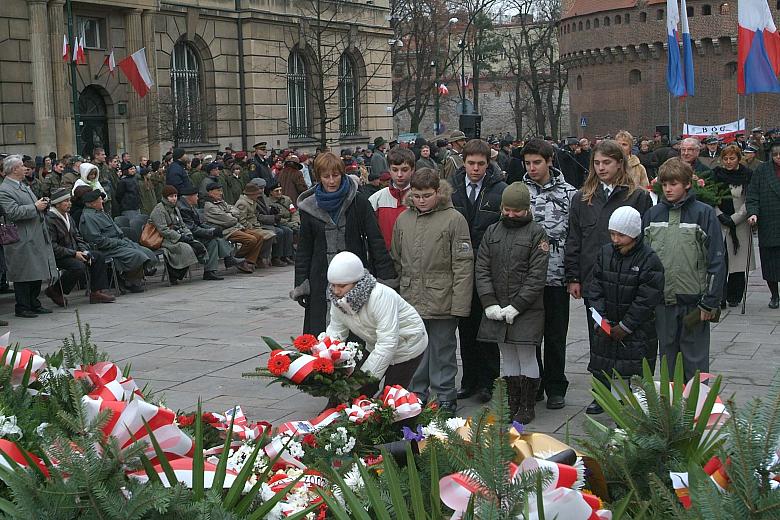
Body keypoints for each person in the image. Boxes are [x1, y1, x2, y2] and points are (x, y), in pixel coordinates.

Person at [564, 139, 653, 414]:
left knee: (627, 335)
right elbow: (574, 239)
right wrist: (573, 277)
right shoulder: (582, 198)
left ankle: (629, 390)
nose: (601, 168)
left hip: (627, 278)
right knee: (599, 336)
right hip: (594, 280)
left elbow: (646, 238)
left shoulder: (636, 196)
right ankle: (601, 391)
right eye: (597, 163)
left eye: (607, 163)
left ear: (619, 164)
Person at [391, 168, 474, 413]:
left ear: (438, 192)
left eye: (426, 195)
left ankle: (445, 394)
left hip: (442, 295)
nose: (421, 200)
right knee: (414, 347)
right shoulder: (403, 219)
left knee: (442, 349)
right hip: (410, 295)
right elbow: (396, 257)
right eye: (416, 196)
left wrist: (460, 303)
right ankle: (417, 391)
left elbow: (463, 263)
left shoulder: (453, 219)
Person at [293, 152, 396, 335]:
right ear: (319, 177)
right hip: (320, 278)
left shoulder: (358, 201)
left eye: (336, 175)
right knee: (321, 337)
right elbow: (304, 249)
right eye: (326, 176)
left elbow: (375, 240)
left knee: (356, 335)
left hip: (355, 278)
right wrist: (302, 283)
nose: (332, 181)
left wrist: (386, 277)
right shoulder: (309, 207)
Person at [644, 158, 725, 381]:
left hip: (694, 302)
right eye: (665, 184)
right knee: (668, 362)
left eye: (674, 184)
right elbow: (645, 259)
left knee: (696, 363)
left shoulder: (704, 213)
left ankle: (698, 411)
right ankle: (670, 411)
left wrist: (710, 300)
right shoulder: (653, 215)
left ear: (688, 184)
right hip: (663, 303)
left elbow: (716, 259)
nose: (668, 189)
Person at [475, 182, 549, 423]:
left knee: (526, 354)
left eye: (516, 210)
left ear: (526, 209)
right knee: (507, 356)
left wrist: (517, 305)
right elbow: (482, 268)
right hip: (497, 306)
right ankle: (512, 401)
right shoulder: (493, 231)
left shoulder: (536, 233)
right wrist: (489, 303)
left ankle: (527, 404)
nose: (510, 214)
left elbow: (536, 276)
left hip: (527, 309)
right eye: (507, 209)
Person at [448, 138, 507, 403]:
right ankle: (469, 380)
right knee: (466, 327)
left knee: (488, 327)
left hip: (488, 268)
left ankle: (489, 381)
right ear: (464, 163)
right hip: (460, 268)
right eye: (471, 163)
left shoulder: (499, 189)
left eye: (480, 164)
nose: (475, 169)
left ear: (488, 164)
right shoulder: (452, 189)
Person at [522, 138, 577, 410]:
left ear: (549, 161)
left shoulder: (569, 193)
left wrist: (573, 275)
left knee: (555, 335)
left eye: (537, 163)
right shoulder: (519, 193)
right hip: (527, 278)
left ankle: (556, 385)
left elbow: (575, 236)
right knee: (530, 336)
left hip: (556, 275)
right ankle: (535, 384)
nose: (532, 168)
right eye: (528, 163)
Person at [586, 207, 664, 398]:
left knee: (630, 373)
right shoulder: (605, 253)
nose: (615, 239)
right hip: (608, 325)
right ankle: (606, 399)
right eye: (612, 233)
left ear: (634, 234)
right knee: (606, 367)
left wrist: (626, 326)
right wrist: (601, 319)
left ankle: (627, 409)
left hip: (635, 330)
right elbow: (595, 288)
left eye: (621, 235)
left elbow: (646, 299)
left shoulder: (649, 259)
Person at [325, 251, 427, 394]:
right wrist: (324, 360)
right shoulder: (339, 301)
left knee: (390, 398)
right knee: (357, 393)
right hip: (375, 343)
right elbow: (335, 333)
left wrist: (363, 380)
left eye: (341, 286)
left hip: (407, 345)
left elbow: (387, 343)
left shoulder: (380, 296)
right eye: (333, 285)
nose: (336, 291)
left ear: (357, 282)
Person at [0, 155, 58, 318]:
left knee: (36, 270)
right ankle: (23, 306)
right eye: (21, 166)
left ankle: (34, 303)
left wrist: (42, 204)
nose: (25, 168)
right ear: (13, 169)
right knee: (23, 272)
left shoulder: (22, 185)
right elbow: (12, 212)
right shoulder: (5, 189)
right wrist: (35, 206)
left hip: (34, 233)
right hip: (21, 236)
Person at [44, 188, 115, 306]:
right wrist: (74, 254)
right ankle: (55, 290)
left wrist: (83, 250)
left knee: (98, 256)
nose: (69, 203)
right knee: (78, 267)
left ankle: (96, 292)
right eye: (65, 201)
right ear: (57, 204)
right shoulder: (49, 219)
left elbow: (77, 236)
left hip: (74, 252)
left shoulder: (68, 216)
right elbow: (53, 246)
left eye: (69, 200)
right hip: (59, 255)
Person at [79, 189, 158, 293]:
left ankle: (137, 274)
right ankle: (130, 280)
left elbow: (116, 230)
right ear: (91, 203)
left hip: (118, 243)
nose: (102, 201)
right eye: (99, 199)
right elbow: (97, 241)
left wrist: (123, 241)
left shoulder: (100, 213)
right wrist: (118, 242)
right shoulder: (88, 217)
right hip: (107, 249)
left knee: (144, 251)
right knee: (136, 254)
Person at [711, 145, 754, 308]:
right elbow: (711, 196)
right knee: (720, 260)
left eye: (732, 158)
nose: (728, 162)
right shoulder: (716, 174)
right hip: (720, 222)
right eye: (725, 159)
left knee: (738, 262)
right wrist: (719, 214)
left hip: (739, 223)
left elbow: (749, 199)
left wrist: (735, 218)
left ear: (738, 158)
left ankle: (735, 295)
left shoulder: (747, 175)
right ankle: (720, 296)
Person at [176, 185, 236, 280]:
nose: (198, 198)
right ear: (189, 197)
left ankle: (214, 268)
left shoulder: (189, 206)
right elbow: (193, 229)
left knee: (215, 236)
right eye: (196, 196)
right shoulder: (183, 209)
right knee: (212, 240)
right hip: (188, 236)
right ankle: (222, 262)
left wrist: (212, 229)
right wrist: (210, 232)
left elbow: (200, 224)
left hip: (193, 233)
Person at [747, 140, 780, 309]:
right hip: (769, 222)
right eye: (775, 155)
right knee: (770, 262)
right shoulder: (762, 170)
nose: (778, 157)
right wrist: (753, 212)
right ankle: (774, 295)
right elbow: (753, 194)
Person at [150, 185, 205, 285]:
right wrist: (180, 237)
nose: (174, 198)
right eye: (171, 196)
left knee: (197, 246)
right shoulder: (159, 210)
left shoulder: (175, 208)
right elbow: (163, 230)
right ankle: (174, 273)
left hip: (175, 235)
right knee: (186, 248)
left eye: (175, 196)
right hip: (162, 239)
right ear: (165, 197)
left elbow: (182, 225)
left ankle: (177, 273)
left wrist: (188, 234)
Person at [203, 182, 261, 273]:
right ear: (210, 192)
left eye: (221, 190)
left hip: (235, 227)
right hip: (226, 230)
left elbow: (236, 210)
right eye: (218, 191)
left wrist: (230, 214)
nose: (221, 193)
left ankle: (249, 262)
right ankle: (237, 259)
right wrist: (231, 215)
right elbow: (229, 220)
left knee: (259, 237)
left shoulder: (221, 202)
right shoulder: (209, 205)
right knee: (251, 239)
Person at [369, 147, 414, 249]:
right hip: (386, 259)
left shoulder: (421, 199)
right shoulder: (376, 200)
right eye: (395, 170)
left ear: (413, 170)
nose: (399, 175)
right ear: (389, 170)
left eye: (404, 170)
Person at [233, 182, 277, 266]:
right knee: (268, 235)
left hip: (255, 226)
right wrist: (251, 227)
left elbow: (255, 216)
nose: (258, 196)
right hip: (247, 228)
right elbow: (241, 220)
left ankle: (260, 257)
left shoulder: (252, 201)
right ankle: (255, 257)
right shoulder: (243, 203)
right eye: (257, 194)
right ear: (251, 194)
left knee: (270, 235)